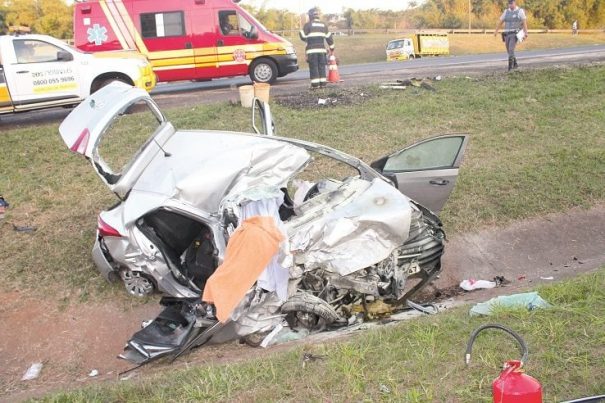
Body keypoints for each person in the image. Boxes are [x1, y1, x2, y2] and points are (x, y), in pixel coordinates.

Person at [299, 7, 334, 89]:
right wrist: (332, 48)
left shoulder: (308, 25)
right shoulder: (323, 25)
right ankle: (323, 84)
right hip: (322, 50)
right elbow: (329, 38)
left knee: (314, 67)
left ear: (310, 16)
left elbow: (304, 37)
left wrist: (301, 31)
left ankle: (315, 86)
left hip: (312, 51)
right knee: (321, 66)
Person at [494, 0, 528, 71]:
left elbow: (524, 22)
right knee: (509, 51)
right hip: (506, 34)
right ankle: (515, 64)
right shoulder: (506, 11)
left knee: (511, 49)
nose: (510, 5)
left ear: (514, 3)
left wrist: (526, 33)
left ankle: (510, 68)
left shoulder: (520, 11)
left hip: (515, 34)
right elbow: (500, 21)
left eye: (511, 4)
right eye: (509, 4)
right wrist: (496, 31)